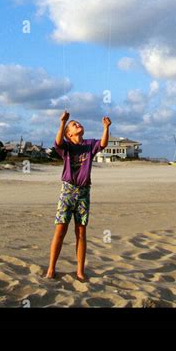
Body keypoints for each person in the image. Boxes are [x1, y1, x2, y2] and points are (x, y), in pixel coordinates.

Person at [45, 110, 111, 281]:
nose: (78, 124)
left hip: (83, 192)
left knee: (81, 232)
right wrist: (62, 122)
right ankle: (51, 269)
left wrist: (106, 127)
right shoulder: (66, 147)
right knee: (60, 230)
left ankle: (80, 271)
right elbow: (58, 142)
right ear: (69, 134)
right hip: (67, 191)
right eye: (74, 125)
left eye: (78, 123)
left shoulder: (89, 144)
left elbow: (103, 144)